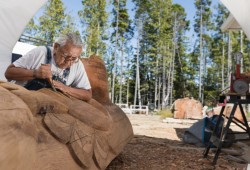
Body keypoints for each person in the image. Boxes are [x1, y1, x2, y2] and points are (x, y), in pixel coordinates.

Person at [5, 32, 92, 101]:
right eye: (65, 56)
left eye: (73, 59)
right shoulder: (41, 52)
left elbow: (87, 94)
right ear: (56, 47)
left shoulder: (78, 64)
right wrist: (35, 73)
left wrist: (66, 89)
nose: (68, 62)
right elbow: (9, 72)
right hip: (22, 100)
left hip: (48, 109)